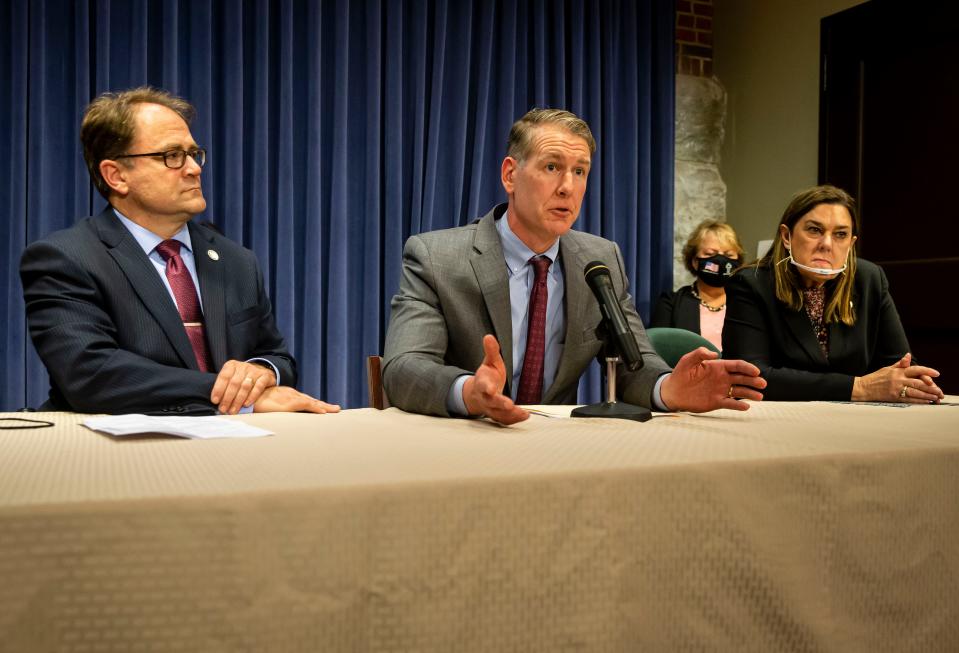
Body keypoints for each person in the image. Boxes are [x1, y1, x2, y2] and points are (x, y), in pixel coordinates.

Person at [383, 108, 766, 424]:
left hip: (557, 448)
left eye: (579, 171)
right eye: (552, 167)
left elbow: (635, 362)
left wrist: (668, 388)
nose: (568, 186)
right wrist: (468, 391)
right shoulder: (436, 256)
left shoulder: (600, 260)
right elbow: (403, 367)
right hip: (462, 441)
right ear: (510, 174)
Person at [20, 87, 339, 415]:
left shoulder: (236, 260)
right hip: (115, 454)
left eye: (193, 153)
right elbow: (91, 373)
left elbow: (276, 356)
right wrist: (235, 394)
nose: (194, 169)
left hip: (233, 451)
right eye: (171, 156)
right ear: (116, 176)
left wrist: (259, 372)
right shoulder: (65, 258)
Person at [723, 184, 944, 403]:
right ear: (787, 236)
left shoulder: (870, 279)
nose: (827, 244)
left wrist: (913, 381)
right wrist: (859, 387)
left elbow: (900, 362)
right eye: (814, 230)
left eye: (840, 234)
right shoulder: (751, 284)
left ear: (851, 244)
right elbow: (749, 377)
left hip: (858, 421)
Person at [650, 220, 744, 350]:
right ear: (694, 261)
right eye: (710, 254)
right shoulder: (671, 303)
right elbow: (658, 350)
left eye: (728, 255)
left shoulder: (747, 303)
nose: (720, 260)